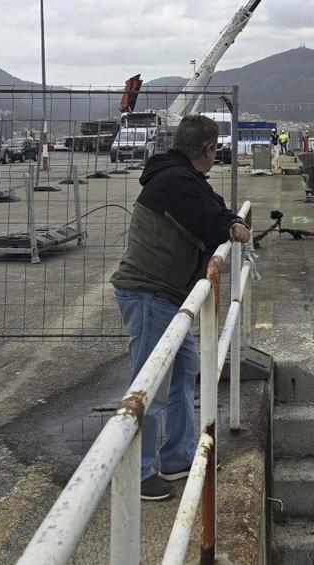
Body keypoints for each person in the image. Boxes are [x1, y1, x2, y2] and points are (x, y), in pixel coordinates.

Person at [109, 114, 250, 501]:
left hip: (163, 295)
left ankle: (177, 458)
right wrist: (233, 225)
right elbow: (211, 222)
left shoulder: (179, 177)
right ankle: (136, 475)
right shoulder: (176, 181)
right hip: (149, 292)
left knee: (186, 367)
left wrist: (232, 218)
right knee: (150, 384)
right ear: (208, 149)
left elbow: (214, 207)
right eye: (216, 149)